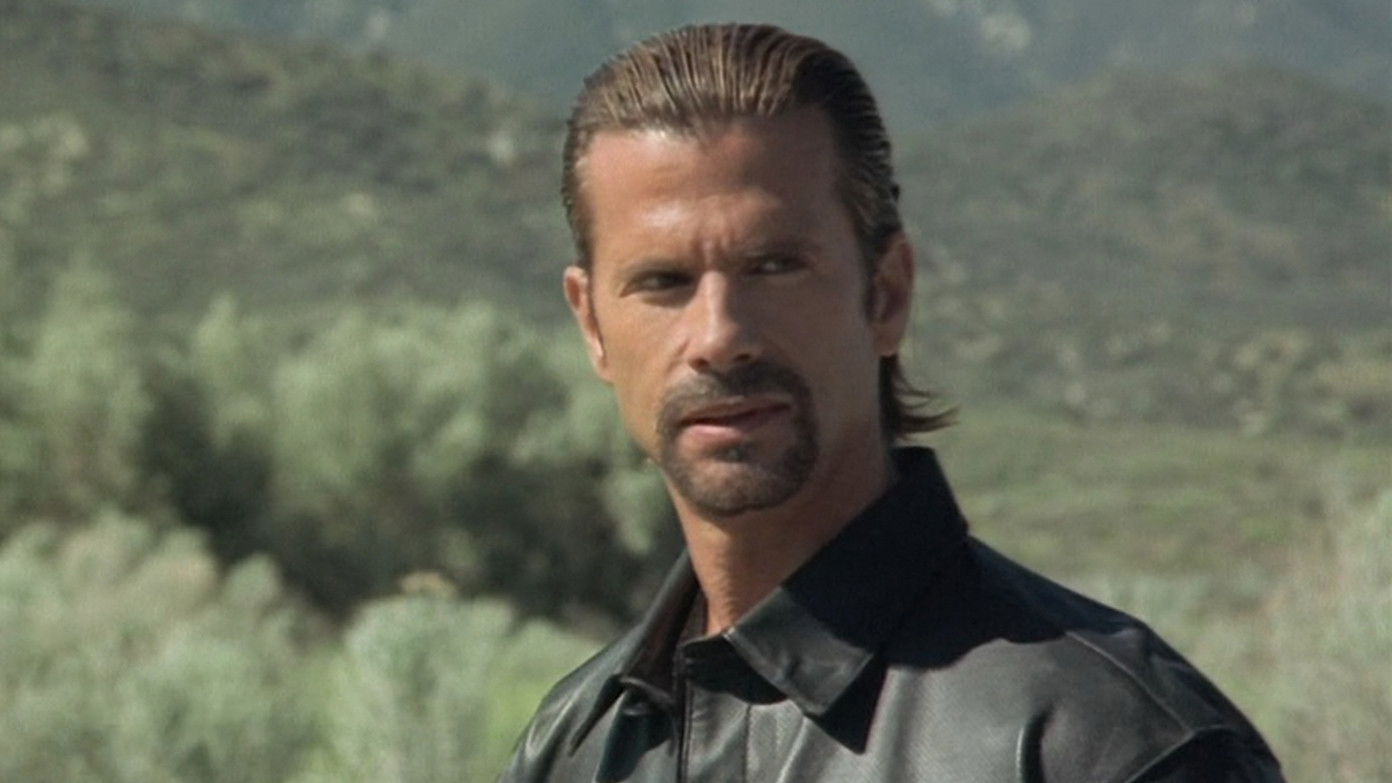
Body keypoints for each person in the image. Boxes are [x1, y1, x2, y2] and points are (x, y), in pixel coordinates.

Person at [500, 23, 1284, 783]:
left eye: (773, 266)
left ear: (886, 294)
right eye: (663, 281)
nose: (719, 336)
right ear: (593, 325)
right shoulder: (575, 747)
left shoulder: (1108, 744)